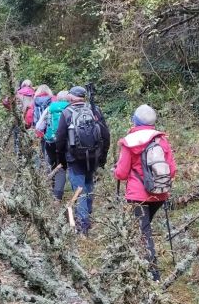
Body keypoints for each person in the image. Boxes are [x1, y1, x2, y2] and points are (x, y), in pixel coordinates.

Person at [113, 105, 175, 281]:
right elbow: (172, 170)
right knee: (144, 228)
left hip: (138, 196)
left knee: (143, 232)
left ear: (135, 120)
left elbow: (121, 173)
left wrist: (115, 171)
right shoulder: (161, 140)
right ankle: (142, 262)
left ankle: (152, 275)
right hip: (160, 193)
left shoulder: (129, 141)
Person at [54, 86, 110, 234]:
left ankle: (83, 226)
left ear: (71, 97)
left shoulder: (67, 113)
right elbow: (106, 135)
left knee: (79, 190)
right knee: (89, 185)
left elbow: (60, 139)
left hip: (74, 158)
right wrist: (102, 157)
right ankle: (87, 216)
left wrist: (62, 160)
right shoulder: (94, 110)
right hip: (93, 156)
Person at [36, 90, 69, 200]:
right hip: (65, 143)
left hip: (50, 142)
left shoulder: (50, 108)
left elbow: (39, 126)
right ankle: (57, 197)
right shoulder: (70, 108)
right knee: (62, 167)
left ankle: (48, 188)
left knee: (50, 163)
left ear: (57, 98)